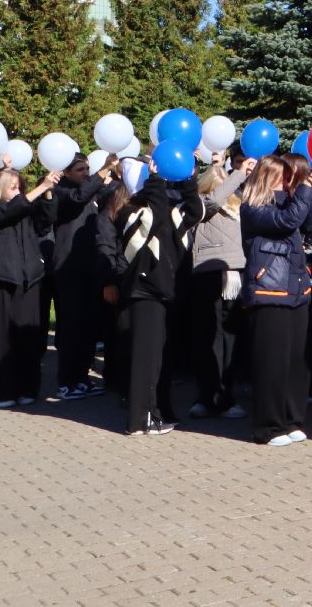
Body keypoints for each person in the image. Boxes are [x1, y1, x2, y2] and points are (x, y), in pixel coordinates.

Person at [97, 155, 206, 435]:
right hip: (143, 292)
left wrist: (188, 182)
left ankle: (160, 410)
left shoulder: (164, 208)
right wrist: (156, 182)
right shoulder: (129, 212)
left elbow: (195, 212)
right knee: (146, 357)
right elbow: (155, 223)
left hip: (166, 292)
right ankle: (140, 418)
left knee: (162, 357)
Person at [240, 154, 312, 447]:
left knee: (296, 360)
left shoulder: (292, 200)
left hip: (297, 289)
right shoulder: (253, 207)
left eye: (291, 178)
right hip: (269, 290)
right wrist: (303, 193)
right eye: (283, 177)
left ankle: (291, 419)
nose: (289, 182)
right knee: (271, 362)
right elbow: (287, 222)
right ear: (267, 178)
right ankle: (268, 426)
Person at [0, 160, 62, 407]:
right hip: (1, 279)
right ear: (0, 189)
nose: (18, 192)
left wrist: (48, 192)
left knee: (28, 338)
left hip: (29, 280)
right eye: (12, 188)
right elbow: (8, 212)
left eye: (19, 188)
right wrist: (37, 188)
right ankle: (0, 392)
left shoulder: (25, 209)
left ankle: (27, 389)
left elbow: (46, 219)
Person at [45, 154, 115, 400]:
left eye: (88, 168)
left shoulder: (91, 192)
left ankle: (82, 378)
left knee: (87, 327)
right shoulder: (62, 190)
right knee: (71, 326)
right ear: (66, 172)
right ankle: (66, 381)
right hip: (69, 268)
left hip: (90, 267)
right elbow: (78, 198)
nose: (86, 172)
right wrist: (104, 170)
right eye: (80, 169)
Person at [188, 155, 250, 418]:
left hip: (236, 274)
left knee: (231, 337)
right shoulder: (201, 205)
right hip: (209, 274)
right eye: (220, 183)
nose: (226, 188)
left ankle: (226, 395)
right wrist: (238, 173)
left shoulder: (239, 208)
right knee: (209, 337)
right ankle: (207, 395)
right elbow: (213, 201)